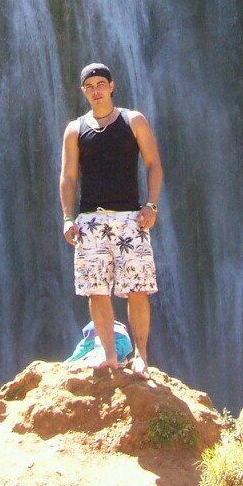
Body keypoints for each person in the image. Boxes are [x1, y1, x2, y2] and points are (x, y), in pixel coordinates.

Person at [60, 62, 163, 379]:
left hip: (131, 219)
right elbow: (68, 176)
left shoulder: (134, 121)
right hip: (91, 220)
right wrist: (67, 217)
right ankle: (108, 354)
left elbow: (153, 164)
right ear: (83, 91)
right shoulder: (76, 129)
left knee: (137, 289)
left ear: (111, 86)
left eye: (100, 84)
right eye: (89, 86)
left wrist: (151, 205)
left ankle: (141, 355)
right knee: (97, 291)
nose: (95, 90)